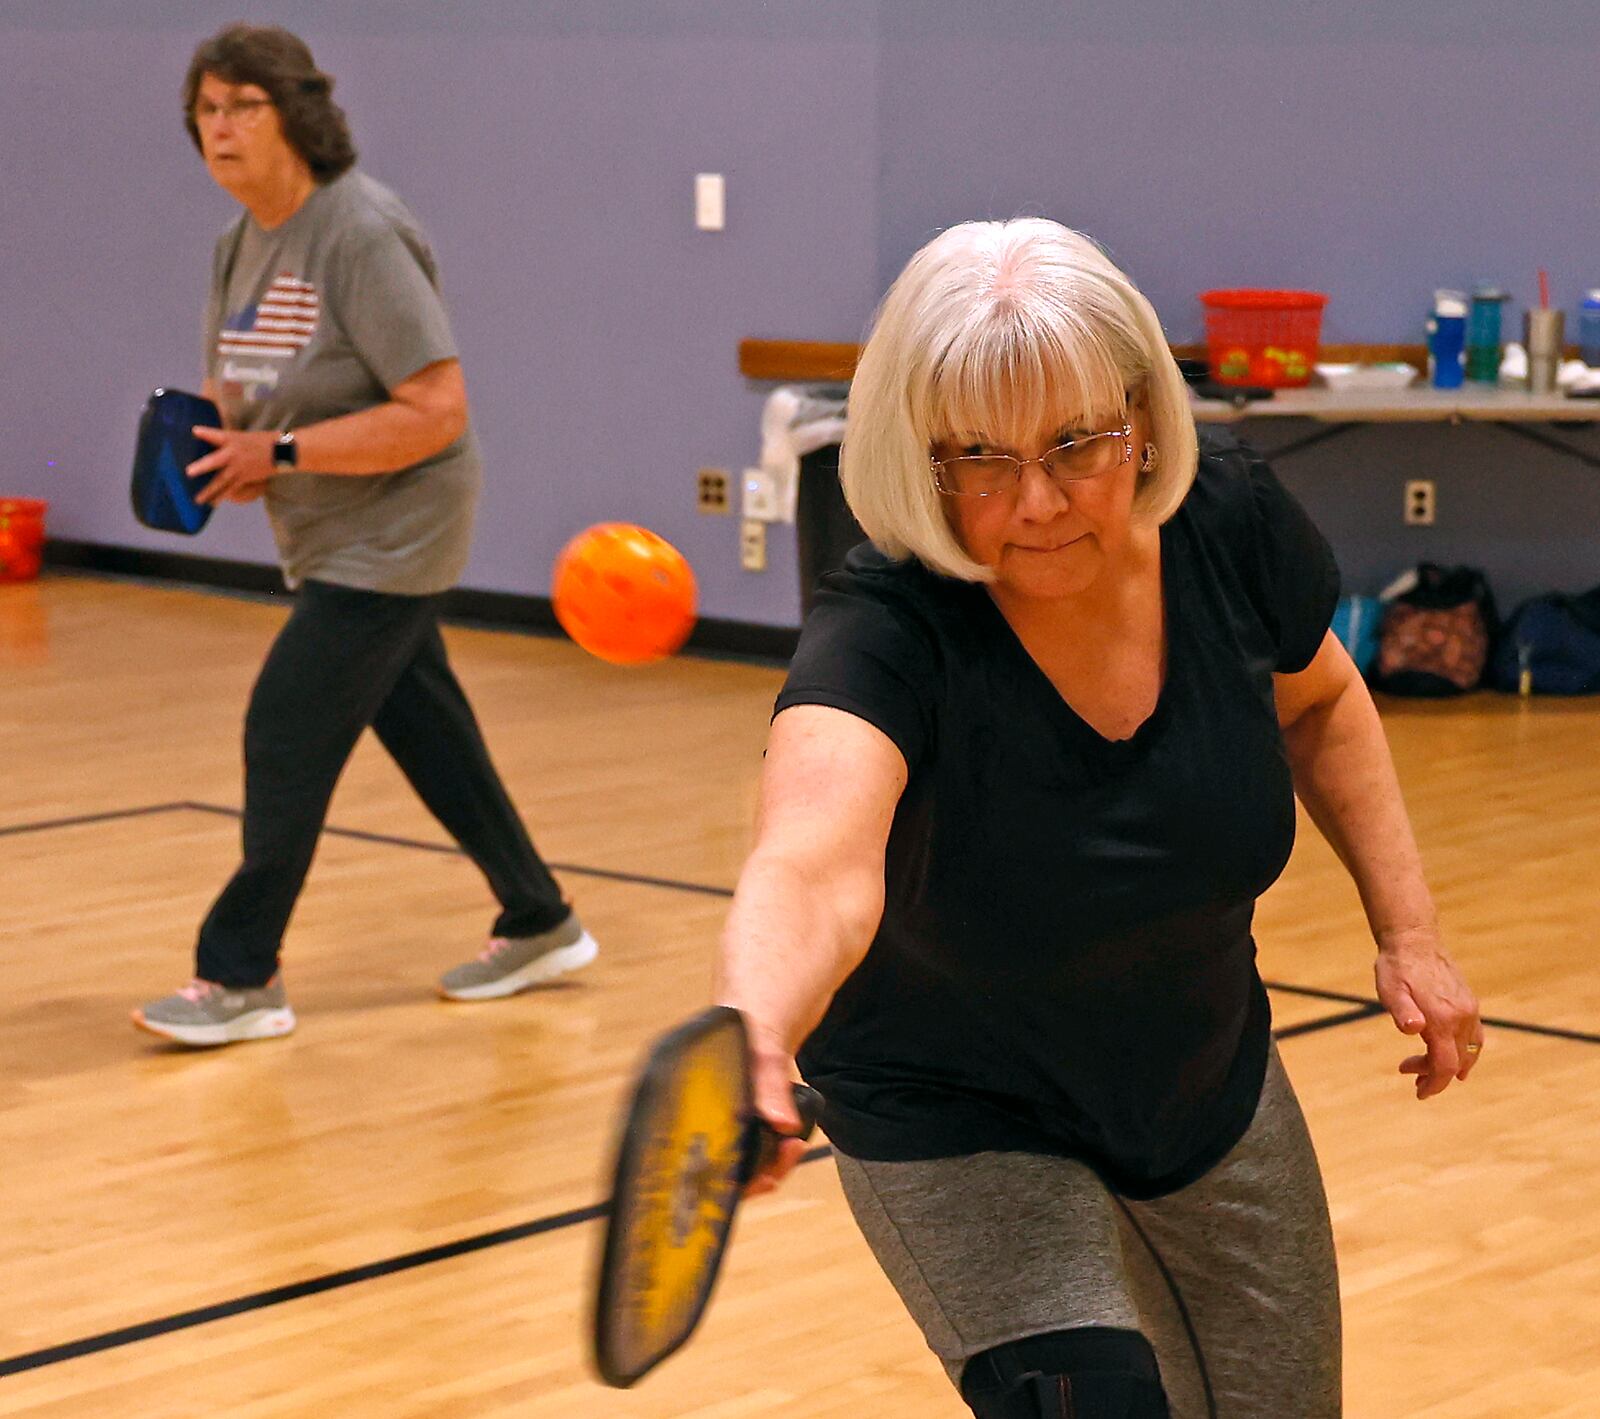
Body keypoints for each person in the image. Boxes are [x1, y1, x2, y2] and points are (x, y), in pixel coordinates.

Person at [715, 219, 1484, 1418]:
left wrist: (1413, 933)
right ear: (917, 457)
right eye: (977, 458)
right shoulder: (885, 628)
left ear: (1142, 415)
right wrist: (754, 1029)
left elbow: (1323, 701)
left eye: (1078, 445)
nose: (1036, 504)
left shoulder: (1226, 529)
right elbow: (812, 861)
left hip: (1199, 1079)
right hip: (957, 1113)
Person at [135, 24, 594, 1047]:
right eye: (205, 110)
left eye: (240, 107)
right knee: (428, 730)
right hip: (326, 527)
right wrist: (218, 452)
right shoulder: (237, 242)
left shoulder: (359, 232)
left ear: (295, 112)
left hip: (398, 529)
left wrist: (283, 456)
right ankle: (540, 917)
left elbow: (435, 410)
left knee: (284, 727)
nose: (218, 128)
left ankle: (240, 975)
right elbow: (237, 384)